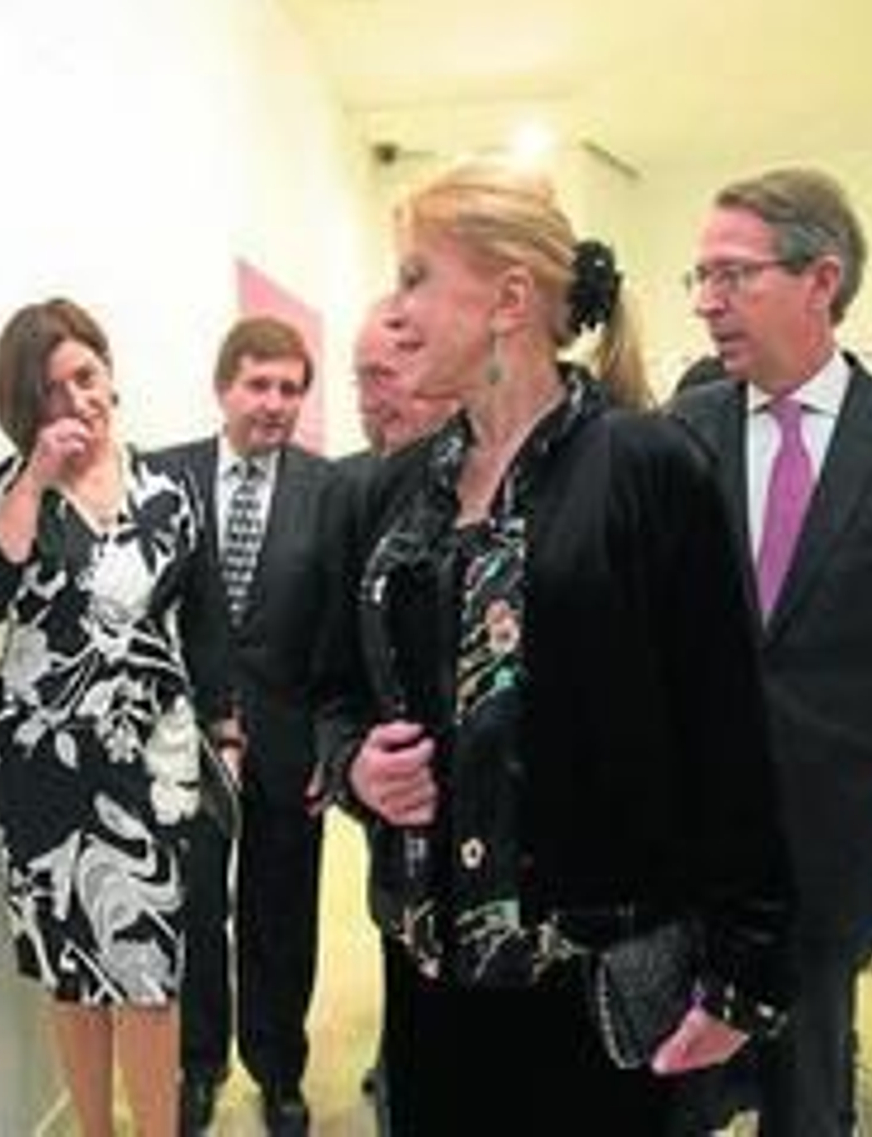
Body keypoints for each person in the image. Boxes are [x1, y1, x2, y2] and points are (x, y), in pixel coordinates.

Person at [314, 159, 795, 1134]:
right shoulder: (389, 491)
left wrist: (744, 971)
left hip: (590, 992)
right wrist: (355, 765)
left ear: (509, 298)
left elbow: (727, 730)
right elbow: (331, 696)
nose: (393, 311)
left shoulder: (648, 469)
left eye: (415, 277)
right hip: (426, 980)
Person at [672, 169, 872, 1135]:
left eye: (733, 274)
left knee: (810, 1096)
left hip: (836, 848)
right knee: (675, 1086)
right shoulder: (678, 436)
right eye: (700, 276)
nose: (707, 301)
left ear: (821, 279)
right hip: (688, 848)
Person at [0, 298, 235, 1137]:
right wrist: (34, 479)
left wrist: (226, 730)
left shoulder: (169, 492)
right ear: (25, 408)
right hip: (41, 764)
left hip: (148, 764)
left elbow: (208, 625)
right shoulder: (5, 489)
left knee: (149, 972)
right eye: (50, 391)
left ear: (109, 371)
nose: (77, 400)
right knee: (71, 968)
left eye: (86, 375)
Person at [154, 316, 337, 1136]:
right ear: (224, 385)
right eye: (258, 384)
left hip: (289, 745)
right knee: (194, 908)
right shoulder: (160, 479)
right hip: (179, 743)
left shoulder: (329, 491)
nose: (274, 403)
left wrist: (334, 742)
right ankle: (197, 1066)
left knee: (282, 914)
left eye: (290, 388)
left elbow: (342, 632)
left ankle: (279, 1069)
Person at [336, 297, 461, 1133]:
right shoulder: (358, 491)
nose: (370, 396)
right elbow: (328, 679)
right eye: (361, 377)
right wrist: (350, 764)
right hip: (406, 852)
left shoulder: (576, 475)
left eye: (386, 374)